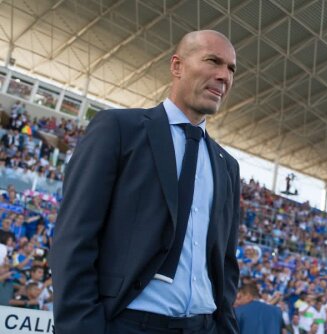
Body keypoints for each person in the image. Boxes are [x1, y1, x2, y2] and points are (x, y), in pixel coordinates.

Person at [50, 30, 240, 334]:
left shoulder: (227, 166)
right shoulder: (119, 129)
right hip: (129, 322)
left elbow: (226, 262)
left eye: (231, 69)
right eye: (213, 61)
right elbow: (74, 236)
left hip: (202, 325)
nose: (224, 76)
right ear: (177, 66)